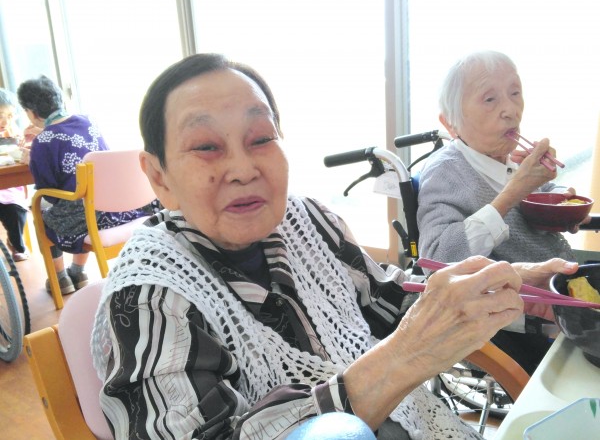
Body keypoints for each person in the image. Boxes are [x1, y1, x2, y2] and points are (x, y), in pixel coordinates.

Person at [91, 53, 577, 439]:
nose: (242, 169)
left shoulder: (309, 220)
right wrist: (402, 360)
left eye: (260, 138)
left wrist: (499, 288)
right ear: (159, 176)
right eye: (206, 147)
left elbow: (387, 296)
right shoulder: (150, 299)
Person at [416, 50, 588, 374]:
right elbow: (438, 260)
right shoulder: (445, 171)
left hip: (564, 291)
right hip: (526, 320)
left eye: (515, 93)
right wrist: (514, 190)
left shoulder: (509, 160)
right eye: (490, 99)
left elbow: (535, 200)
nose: (510, 110)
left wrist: (562, 202)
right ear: (450, 123)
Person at [17, 76, 149, 295]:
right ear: (59, 99)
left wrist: (33, 159)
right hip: (118, 207)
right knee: (84, 197)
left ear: (31, 112)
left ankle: (60, 279)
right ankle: (78, 272)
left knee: (41, 210)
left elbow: (48, 192)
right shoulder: (88, 122)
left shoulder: (43, 141)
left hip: (86, 217)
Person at [0, 89, 30, 262]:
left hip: (9, 188)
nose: (5, 121)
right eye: (0, 116)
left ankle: (16, 243)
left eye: (10, 116)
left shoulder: (13, 132)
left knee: (15, 210)